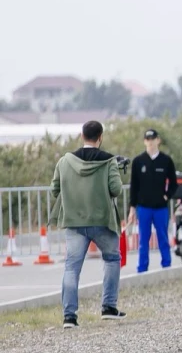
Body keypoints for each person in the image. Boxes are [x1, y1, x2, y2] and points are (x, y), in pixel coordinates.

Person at [50, 121, 127, 328]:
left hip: (75, 222)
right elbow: (116, 189)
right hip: (102, 221)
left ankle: (69, 317)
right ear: (100, 137)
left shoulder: (65, 161)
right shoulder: (109, 161)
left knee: (72, 267)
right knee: (112, 259)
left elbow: (54, 189)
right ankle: (109, 307)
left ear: (82, 136)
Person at [126, 128, 178, 274]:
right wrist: (132, 208)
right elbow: (134, 186)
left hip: (160, 207)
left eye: (153, 139)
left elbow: (174, 183)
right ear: (144, 141)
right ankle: (142, 269)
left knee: (163, 238)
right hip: (144, 208)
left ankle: (166, 266)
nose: (150, 142)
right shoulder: (138, 161)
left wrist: (167, 196)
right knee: (144, 240)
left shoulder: (166, 161)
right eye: (148, 139)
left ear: (158, 140)